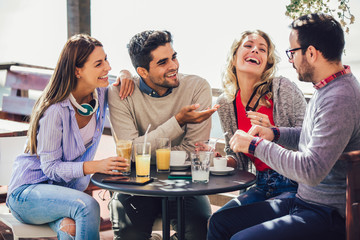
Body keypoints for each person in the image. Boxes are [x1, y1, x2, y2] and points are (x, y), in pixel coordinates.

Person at [207, 13, 360, 240]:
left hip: (326, 213)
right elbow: (309, 138)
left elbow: (311, 170)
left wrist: (256, 144)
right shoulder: (325, 89)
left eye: (293, 52)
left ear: (311, 53)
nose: (291, 60)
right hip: (303, 202)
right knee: (221, 222)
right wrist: (275, 133)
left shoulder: (339, 97)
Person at [6, 34, 130, 240]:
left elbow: (123, 79)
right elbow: (51, 168)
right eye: (99, 63)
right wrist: (95, 166)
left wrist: (125, 73)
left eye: (106, 59)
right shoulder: (55, 111)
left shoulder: (99, 94)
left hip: (64, 195)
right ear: (77, 70)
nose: (107, 67)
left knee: (69, 228)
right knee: (88, 205)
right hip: (28, 194)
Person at [108, 30, 219, 240]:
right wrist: (178, 121)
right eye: (163, 62)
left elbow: (193, 151)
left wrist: (144, 150)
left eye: (174, 57)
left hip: (185, 181)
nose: (174, 66)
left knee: (199, 230)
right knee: (129, 235)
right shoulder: (119, 93)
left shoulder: (197, 87)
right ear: (142, 71)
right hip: (135, 183)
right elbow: (129, 153)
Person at [216, 30, 306, 208]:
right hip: (261, 184)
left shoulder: (283, 88)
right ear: (234, 58)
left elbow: (308, 140)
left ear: (267, 63)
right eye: (248, 46)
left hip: (294, 185)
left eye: (262, 49)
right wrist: (218, 160)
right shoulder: (226, 103)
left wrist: (274, 131)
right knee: (217, 221)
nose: (255, 50)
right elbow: (238, 159)